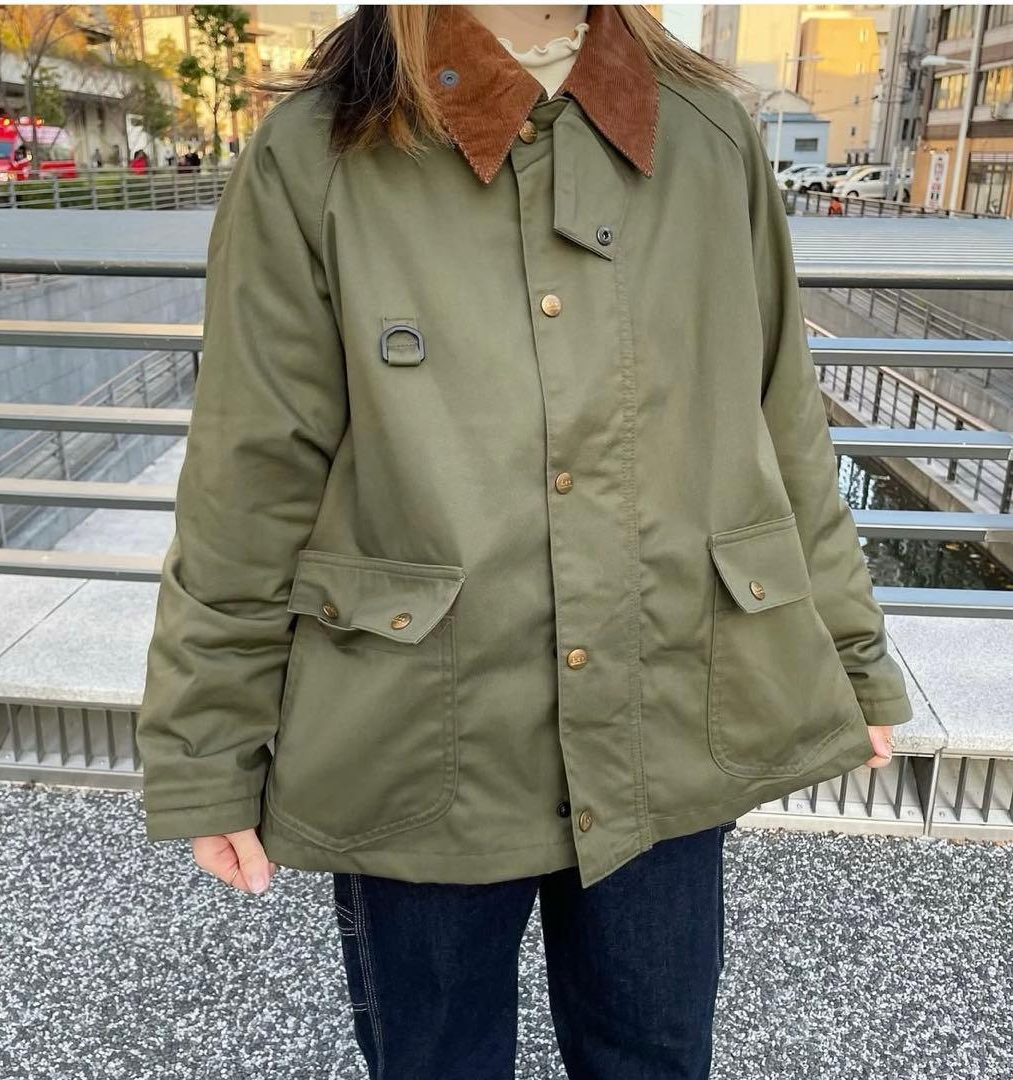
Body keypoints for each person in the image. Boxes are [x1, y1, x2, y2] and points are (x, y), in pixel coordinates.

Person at [135, 5, 913, 1078]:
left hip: (666, 704)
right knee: (436, 1060)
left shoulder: (707, 136)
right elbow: (250, 480)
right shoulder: (320, 153)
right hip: (420, 731)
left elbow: (782, 427)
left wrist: (852, 657)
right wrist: (207, 754)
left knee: (653, 1056)